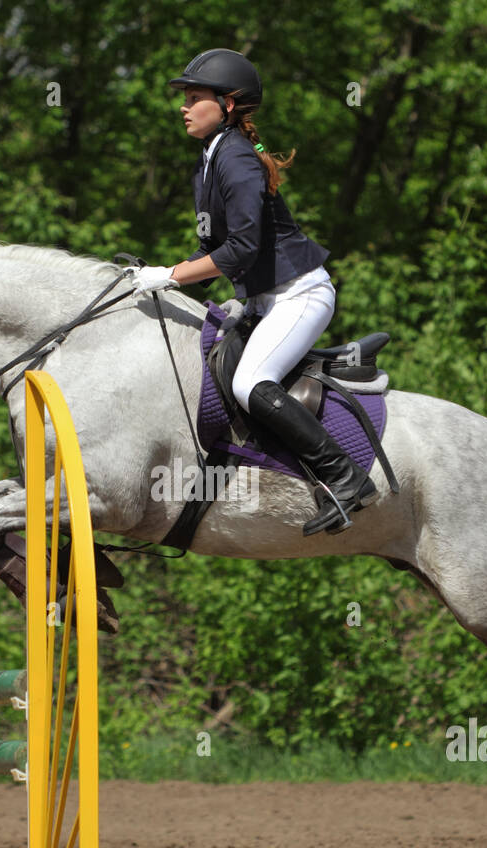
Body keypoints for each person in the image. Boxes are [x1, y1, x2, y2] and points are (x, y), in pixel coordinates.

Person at [132, 48, 376, 535]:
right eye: (184, 96)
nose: (183, 105)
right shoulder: (211, 158)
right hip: (267, 298)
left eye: (194, 96)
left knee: (250, 384)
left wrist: (170, 273)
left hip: (300, 295)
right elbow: (220, 254)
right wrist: (161, 280)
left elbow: (241, 249)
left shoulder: (236, 158)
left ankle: (344, 476)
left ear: (226, 104)